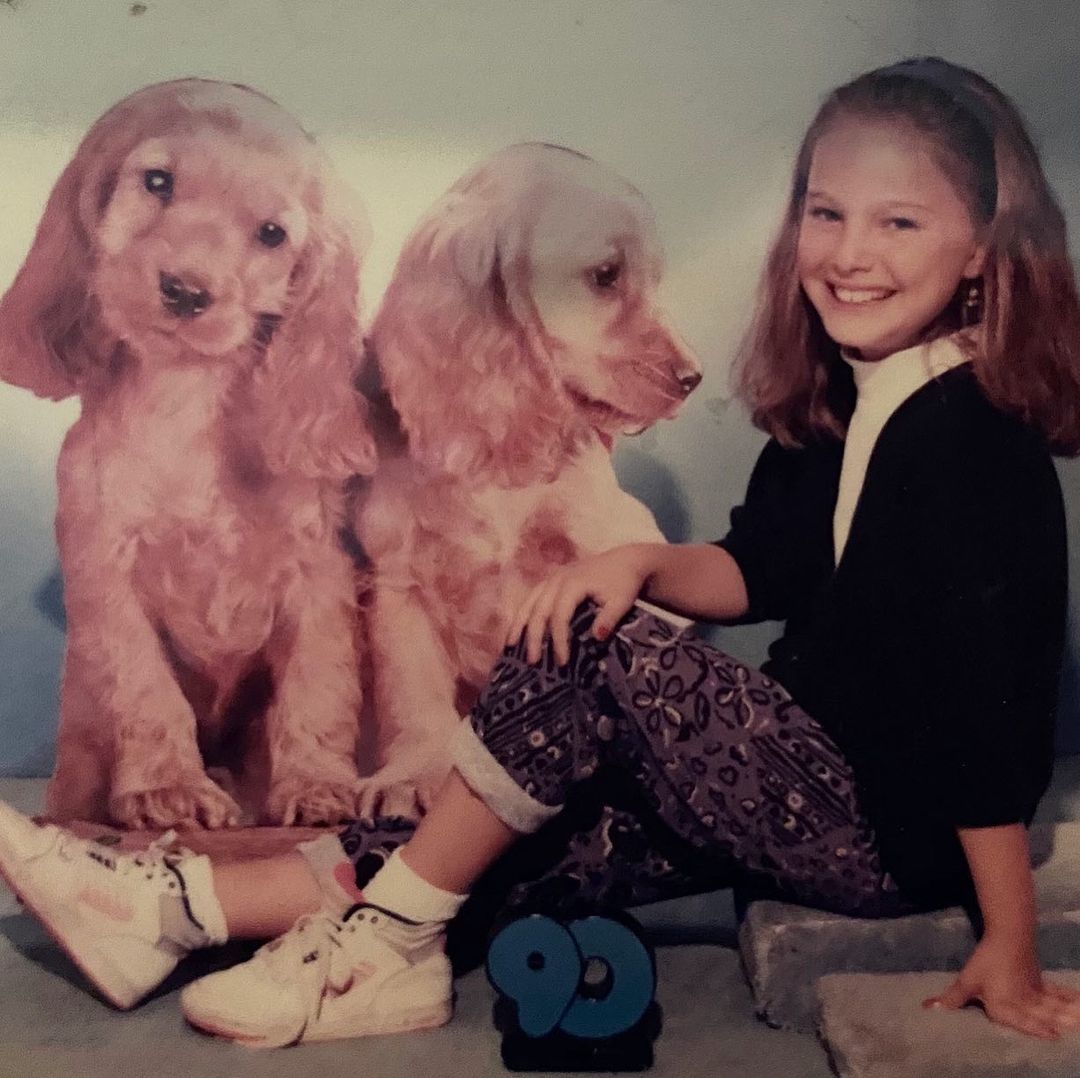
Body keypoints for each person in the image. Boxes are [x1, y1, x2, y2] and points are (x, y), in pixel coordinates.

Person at [3, 54, 1080, 1048]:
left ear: (984, 248)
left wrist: (1011, 944)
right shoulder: (852, 401)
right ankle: (179, 909)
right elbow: (762, 570)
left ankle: (386, 948)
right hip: (800, 777)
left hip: (893, 831)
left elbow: (976, 712)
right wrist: (638, 566)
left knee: (590, 647)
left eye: (899, 223)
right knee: (503, 833)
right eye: (826, 211)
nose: (850, 254)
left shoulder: (968, 441)